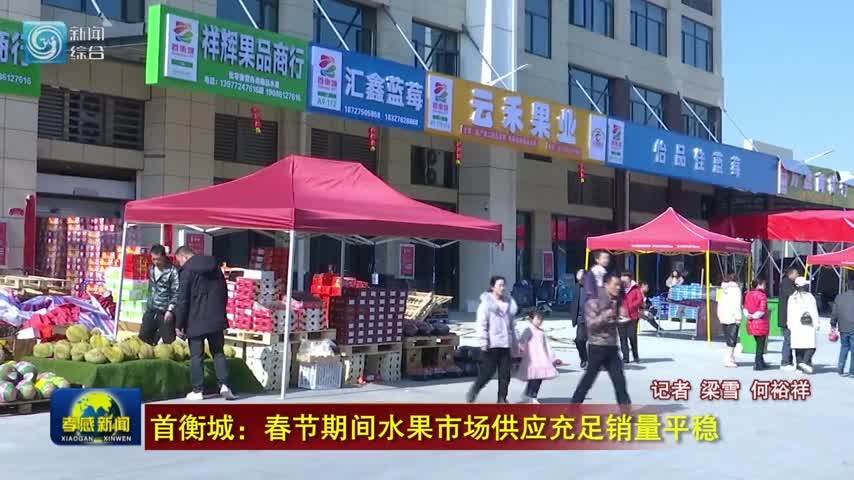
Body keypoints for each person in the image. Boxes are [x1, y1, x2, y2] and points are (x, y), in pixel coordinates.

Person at [173, 245, 234, 400]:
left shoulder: (187, 271)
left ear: (185, 257)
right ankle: (225, 385)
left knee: (196, 356)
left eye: (180, 261)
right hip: (215, 318)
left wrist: (179, 324)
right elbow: (224, 292)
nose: (180, 264)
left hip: (195, 319)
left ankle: (198, 390)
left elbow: (183, 300)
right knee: (218, 352)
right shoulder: (215, 267)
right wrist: (220, 312)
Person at [570, 273, 631, 405]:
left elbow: (621, 315)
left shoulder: (616, 300)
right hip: (597, 346)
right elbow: (591, 324)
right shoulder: (594, 300)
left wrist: (622, 317)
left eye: (619, 285)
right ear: (606, 285)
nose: (618, 287)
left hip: (612, 347)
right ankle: (573, 407)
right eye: (615, 284)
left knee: (620, 381)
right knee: (588, 381)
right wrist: (608, 314)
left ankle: (626, 411)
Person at [467, 275, 519, 404]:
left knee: (505, 374)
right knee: (487, 372)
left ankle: (502, 398)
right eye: (500, 285)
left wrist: (515, 343)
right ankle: (475, 389)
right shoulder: (486, 305)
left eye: (504, 285)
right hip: (491, 344)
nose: (503, 288)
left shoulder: (509, 304)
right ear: (492, 287)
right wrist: (483, 341)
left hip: (505, 344)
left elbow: (512, 326)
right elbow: (481, 325)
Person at [138, 244, 180, 346]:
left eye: (158, 259)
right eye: (153, 259)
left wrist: (170, 310)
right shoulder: (151, 269)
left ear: (164, 257)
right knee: (143, 338)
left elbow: (176, 292)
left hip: (164, 311)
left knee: (168, 341)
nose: (156, 262)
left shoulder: (172, 271)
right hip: (151, 309)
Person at [517, 310, 562, 404]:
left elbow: (547, 346)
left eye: (541, 319)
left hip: (542, 359)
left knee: (538, 378)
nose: (539, 321)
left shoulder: (542, 332)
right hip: (531, 359)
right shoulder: (528, 330)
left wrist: (553, 358)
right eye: (537, 319)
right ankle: (531, 395)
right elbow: (522, 342)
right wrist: (520, 350)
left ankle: (530, 394)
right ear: (531, 319)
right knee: (534, 378)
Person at [787, 276, 819, 374]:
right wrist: (817, 323)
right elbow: (814, 311)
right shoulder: (809, 297)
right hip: (808, 324)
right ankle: (805, 363)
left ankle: (799, 367)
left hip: (796, 325)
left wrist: (790, 324)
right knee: (811, 346)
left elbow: (789, 313)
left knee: (798, 347)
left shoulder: (792, 297)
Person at [717, 273, 743, 368]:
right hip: (732, 318)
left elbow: (719, 303)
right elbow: (736, 305)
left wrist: (719, 315)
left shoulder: (723, 289)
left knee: (729, 339)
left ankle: (731, 357)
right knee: (732, 340)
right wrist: (739, 317)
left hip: (723, 316)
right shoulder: (736, 290)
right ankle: (728, 359)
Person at [744, 278, 770, 371]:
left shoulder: (748, 294)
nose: (765, 286)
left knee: (759, 343)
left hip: (751, 322)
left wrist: (748, 316)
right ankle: (758, 363)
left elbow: (745, 307)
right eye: (763, 284)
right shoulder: (762, 296)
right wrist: (754, 316)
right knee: (760, 345)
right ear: (759, 285)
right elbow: (762, 310)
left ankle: (761, 361)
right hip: (761, 322)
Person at [618, 271, 643, 363]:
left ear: (629, 278)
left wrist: (631, 306)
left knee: (632, 336)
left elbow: (640, 300)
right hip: (620, 317)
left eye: (625, 277)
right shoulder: (619, 288)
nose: (623, 279)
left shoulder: (635, 288)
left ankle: (635, 355)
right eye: (622, 277)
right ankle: (625, 357)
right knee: (622, 337)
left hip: (633, 316)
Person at [831, 279, 854, 376]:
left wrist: (833, 324)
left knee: (844, 347)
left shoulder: (839, 297)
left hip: (843, 327)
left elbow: (835, 312)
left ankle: (840, 368)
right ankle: (852, 371)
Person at [779, 268, 800, 371]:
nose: (798, 275)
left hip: (788, 317)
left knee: (790, 339)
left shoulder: (789, 283)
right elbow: (793, 295)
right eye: (796, 273)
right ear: (791, 274)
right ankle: (785, 362)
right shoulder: (787, 283)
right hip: (787, 317)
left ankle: (789, 361)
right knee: (788, 340)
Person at [570, 269, 589, 369]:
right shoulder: (577, 287)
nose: (579, 281)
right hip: (581, 319)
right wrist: (574, 316)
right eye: (578, 280)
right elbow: (575, 301)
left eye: (581, 279)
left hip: (592, 319)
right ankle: (584, 359)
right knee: (579, 340)